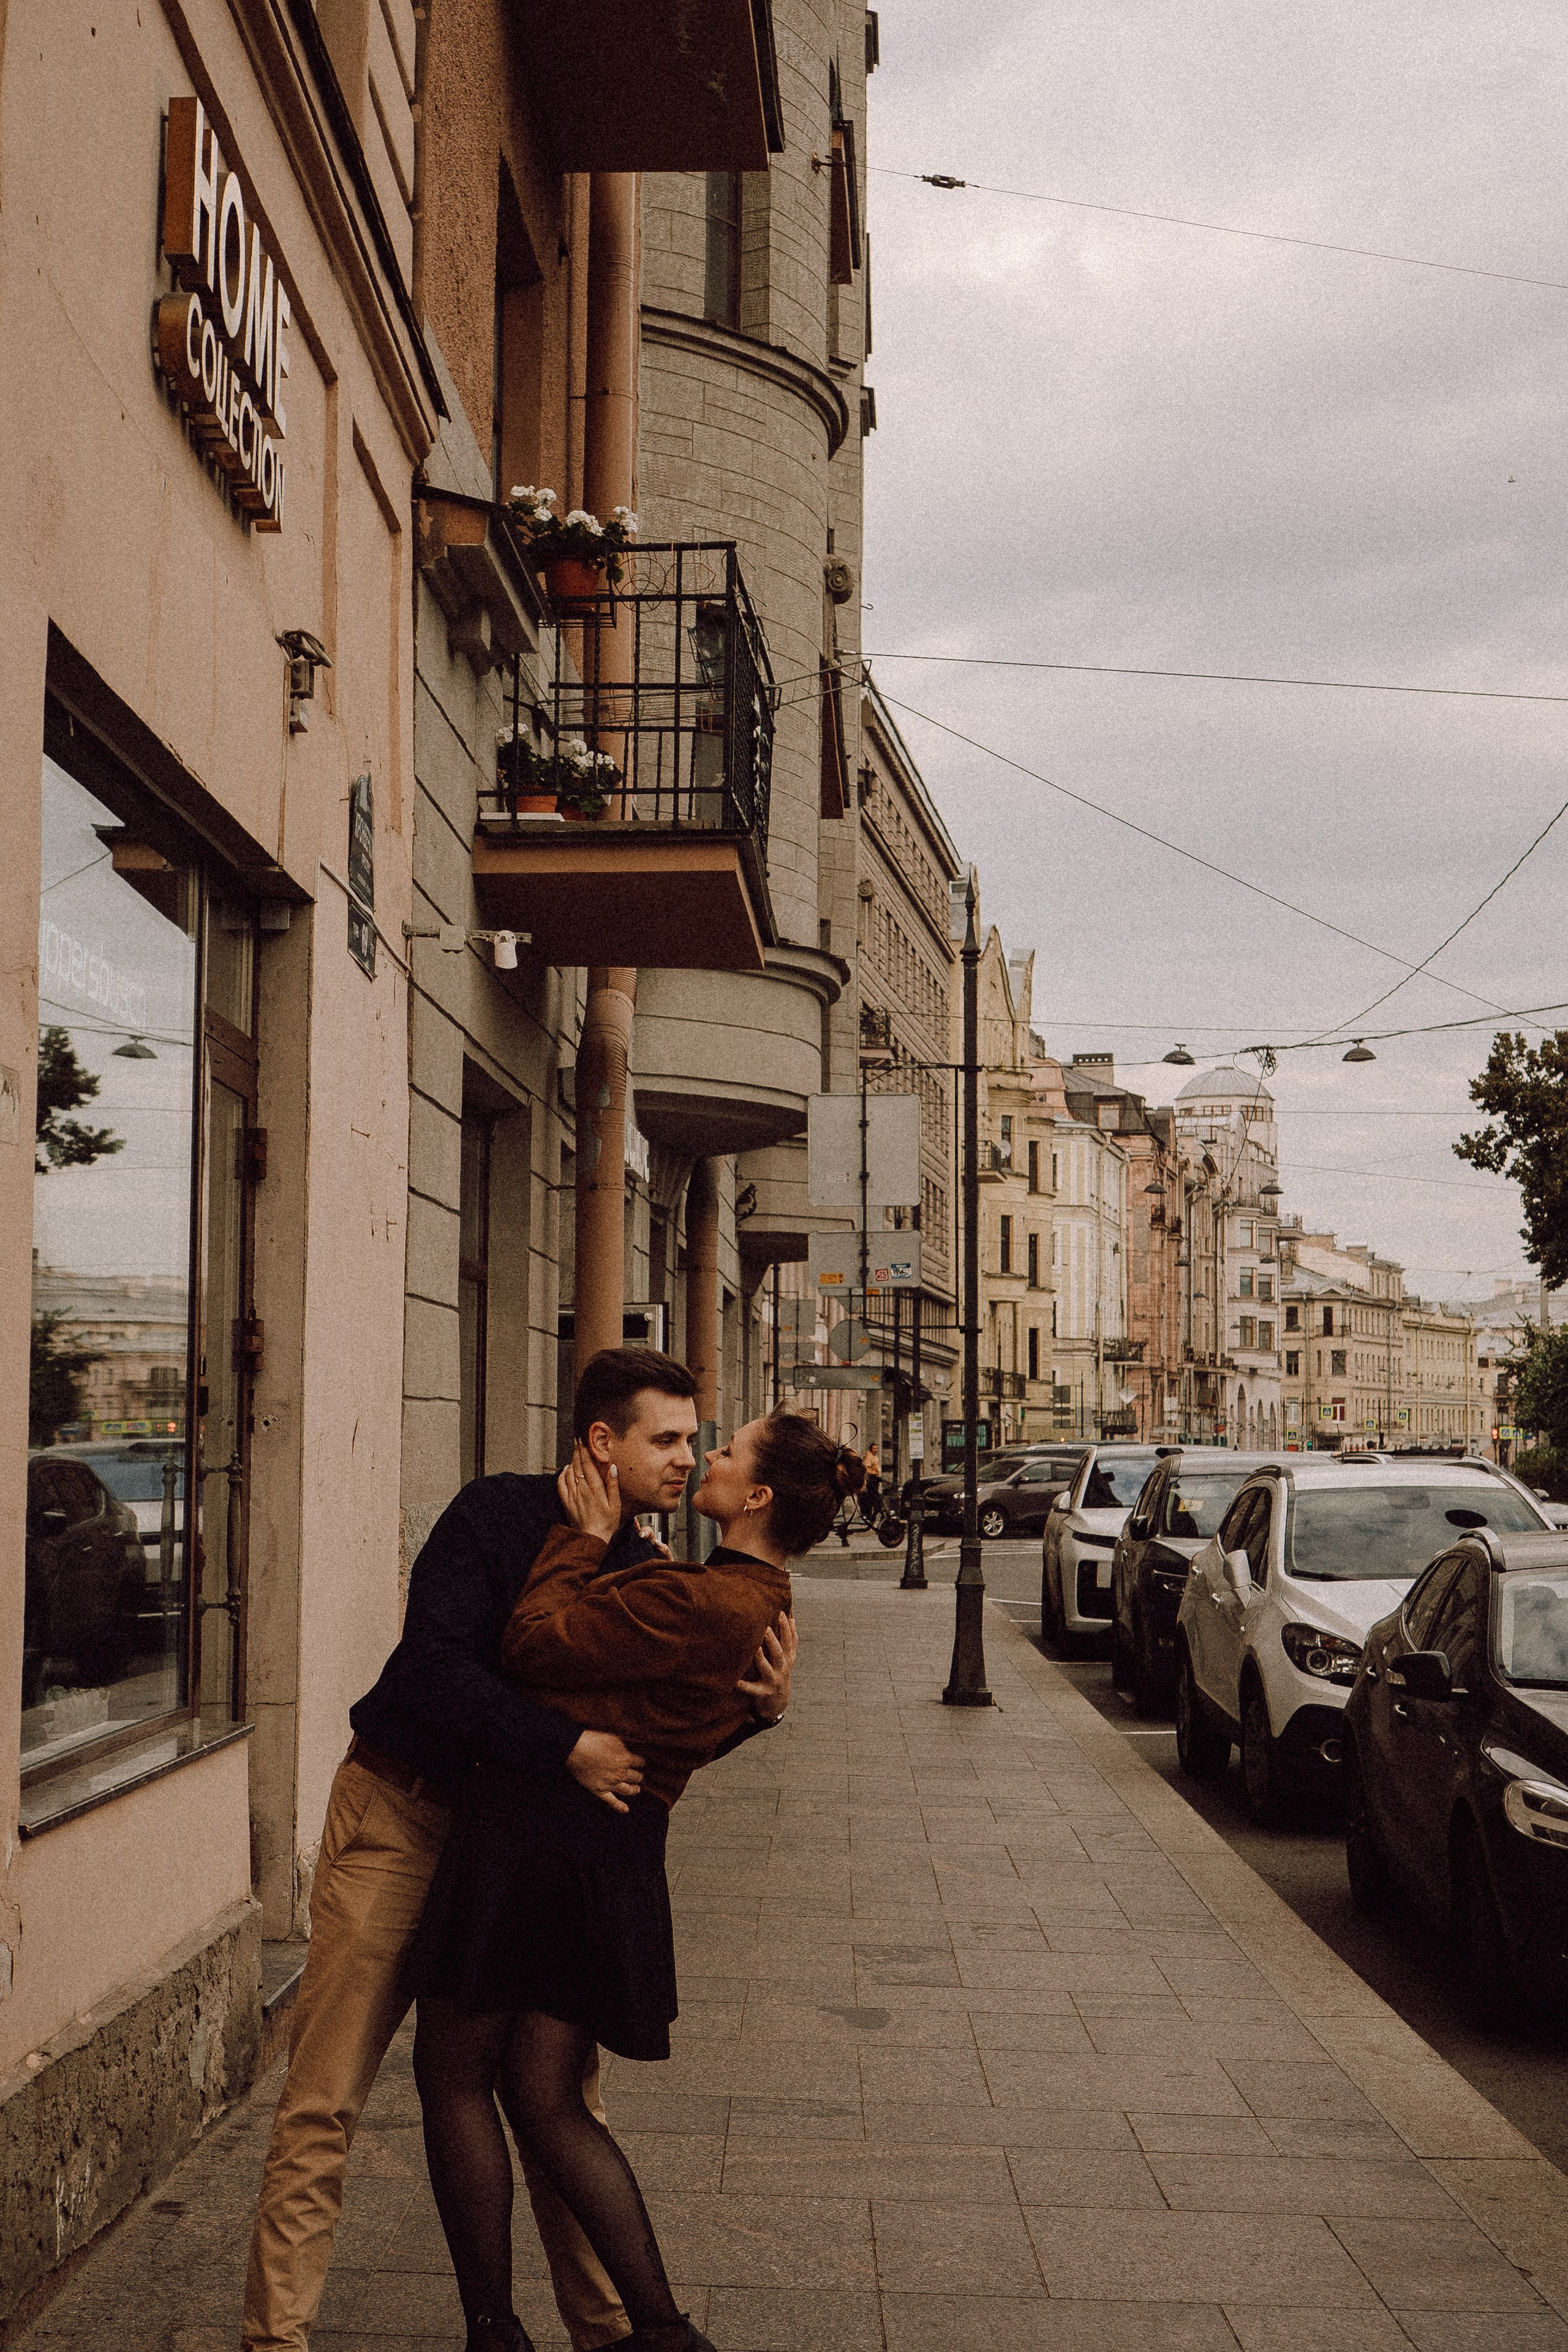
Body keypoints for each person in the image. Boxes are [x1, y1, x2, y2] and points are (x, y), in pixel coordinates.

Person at [239, 1348, 794, 2352]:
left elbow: (650, 1745)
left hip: (514, 1849)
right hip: (403, 1818)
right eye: (664, 1439)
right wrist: (564, 1745)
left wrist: (759, 1712)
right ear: (601, 1442)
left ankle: (608, 2331)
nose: (684, 1458)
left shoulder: (642, 1567)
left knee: (552, 2102)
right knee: (325, 2102)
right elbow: (432, 1672)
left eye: (693, 1439)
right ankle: (275, 2342)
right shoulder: (494, 1513)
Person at [405, 1412, 864, 2352]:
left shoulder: (696, 1600)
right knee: (543, 2096)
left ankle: (500, 2331)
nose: (707, 1459)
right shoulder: (756, 1600)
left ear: (760, 1497)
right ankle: (656, 2330)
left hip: (533, 1846)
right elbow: (683, 1724)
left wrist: (578, 1541)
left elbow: (531, 1646)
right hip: (606, 1859)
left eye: (727, 1451)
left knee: (454, 2078)